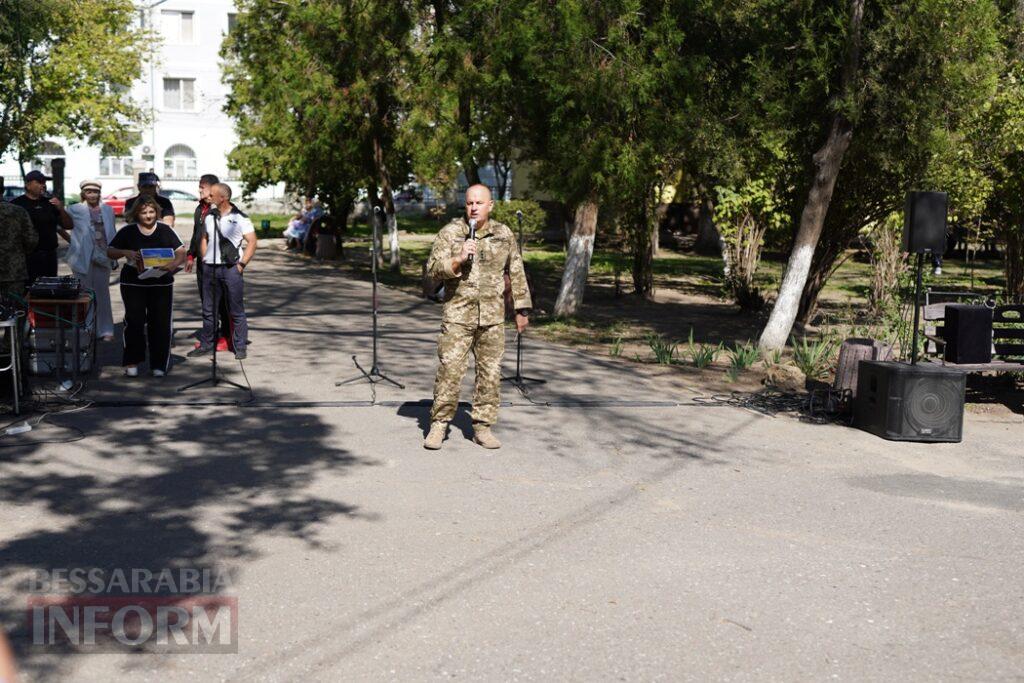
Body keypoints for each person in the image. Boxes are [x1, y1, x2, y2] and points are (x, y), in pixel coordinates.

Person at [423, 184, 531, 450]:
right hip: (458, 315)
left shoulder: (504, 234)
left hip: (492, 317)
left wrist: (521, 309)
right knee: (449, 370)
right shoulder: (450, 233)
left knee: (490, 374)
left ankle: (482, 426)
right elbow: (433, 270)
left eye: (479, 203)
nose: (473, 208)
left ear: (490, 205)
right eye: (469, 203)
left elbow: (516, 271)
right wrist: (458, 259)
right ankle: (439, 424)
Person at [106, 195, 186, 377]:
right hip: (133, 281)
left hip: (161, 282)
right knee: (134, 322)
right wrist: (125, 252)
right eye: (144, 213)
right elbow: (110, 251)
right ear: (136, 214)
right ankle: (132, 362)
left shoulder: (165, 230)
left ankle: (158, 364)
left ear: (157, 212)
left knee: (160, 323)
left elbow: (181, 252)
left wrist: (171, 265)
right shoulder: (128, 231)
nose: (148, 216)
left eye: (151, 212)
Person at [188, 183, 256, 361]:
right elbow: (203, 237)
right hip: (210, 268)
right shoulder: (210, 216)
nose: (208, 198)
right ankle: (207, 344)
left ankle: (240, 346)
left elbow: (252, 242)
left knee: (236, 309)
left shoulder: (241, 218)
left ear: (222, 198)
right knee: (208, 310)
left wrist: (241, 265)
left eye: (212, 196)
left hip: (230, 269)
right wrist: (204, 257)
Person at [184, 173, 232, 349]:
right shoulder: (200, 209)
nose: (199, 190)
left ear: (212, 188)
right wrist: (191, 255)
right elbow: (197, 234)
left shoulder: (222, 209)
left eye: (202, 187)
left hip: (218, 262)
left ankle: (227, 337)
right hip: (202, 263)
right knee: (207, 301)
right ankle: (210, 337)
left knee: (222, 302)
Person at [66, 179, 117, 340]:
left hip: (104, 255)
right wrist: (74, 244)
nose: (92, 195)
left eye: (95, 192)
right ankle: (86, 328)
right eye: (89, 192)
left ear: (99, 193)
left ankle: (106, 330)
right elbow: (62, 226)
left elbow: (112, 231)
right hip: (83, 257)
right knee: (84, 293)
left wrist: (114, 255)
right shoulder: (74, 209)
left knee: (102, 292)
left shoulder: (108, 209)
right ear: (83, 194)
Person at [11, 169, 72, 284]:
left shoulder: (50, 203)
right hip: (27, 257)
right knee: (29, 293)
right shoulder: (17, 204)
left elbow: (68, 225)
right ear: (28, 185)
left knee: (49, 292)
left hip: (50, 256)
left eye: (44, 182)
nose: (43, 185)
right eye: (39, 182)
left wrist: (61, 209)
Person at [0, 200, 37, 300]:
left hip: (14, 269)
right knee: (14, 308)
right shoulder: (18, 211)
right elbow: (31, 239)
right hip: (14, 270)